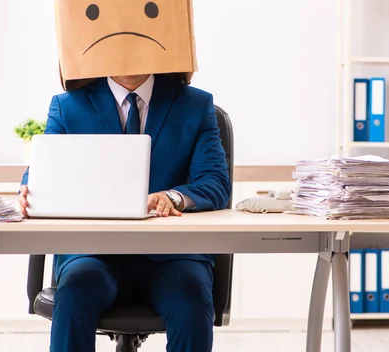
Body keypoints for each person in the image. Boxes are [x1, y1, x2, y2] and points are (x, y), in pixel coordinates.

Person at [18, 72, 231, 352]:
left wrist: (173, 197)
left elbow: (215, 182)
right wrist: (30, 189)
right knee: (73, 298)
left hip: (173, 256)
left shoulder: (195, 104)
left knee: (191, 303)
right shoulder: (68, 105)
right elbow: (44, 170)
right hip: (93, 254)